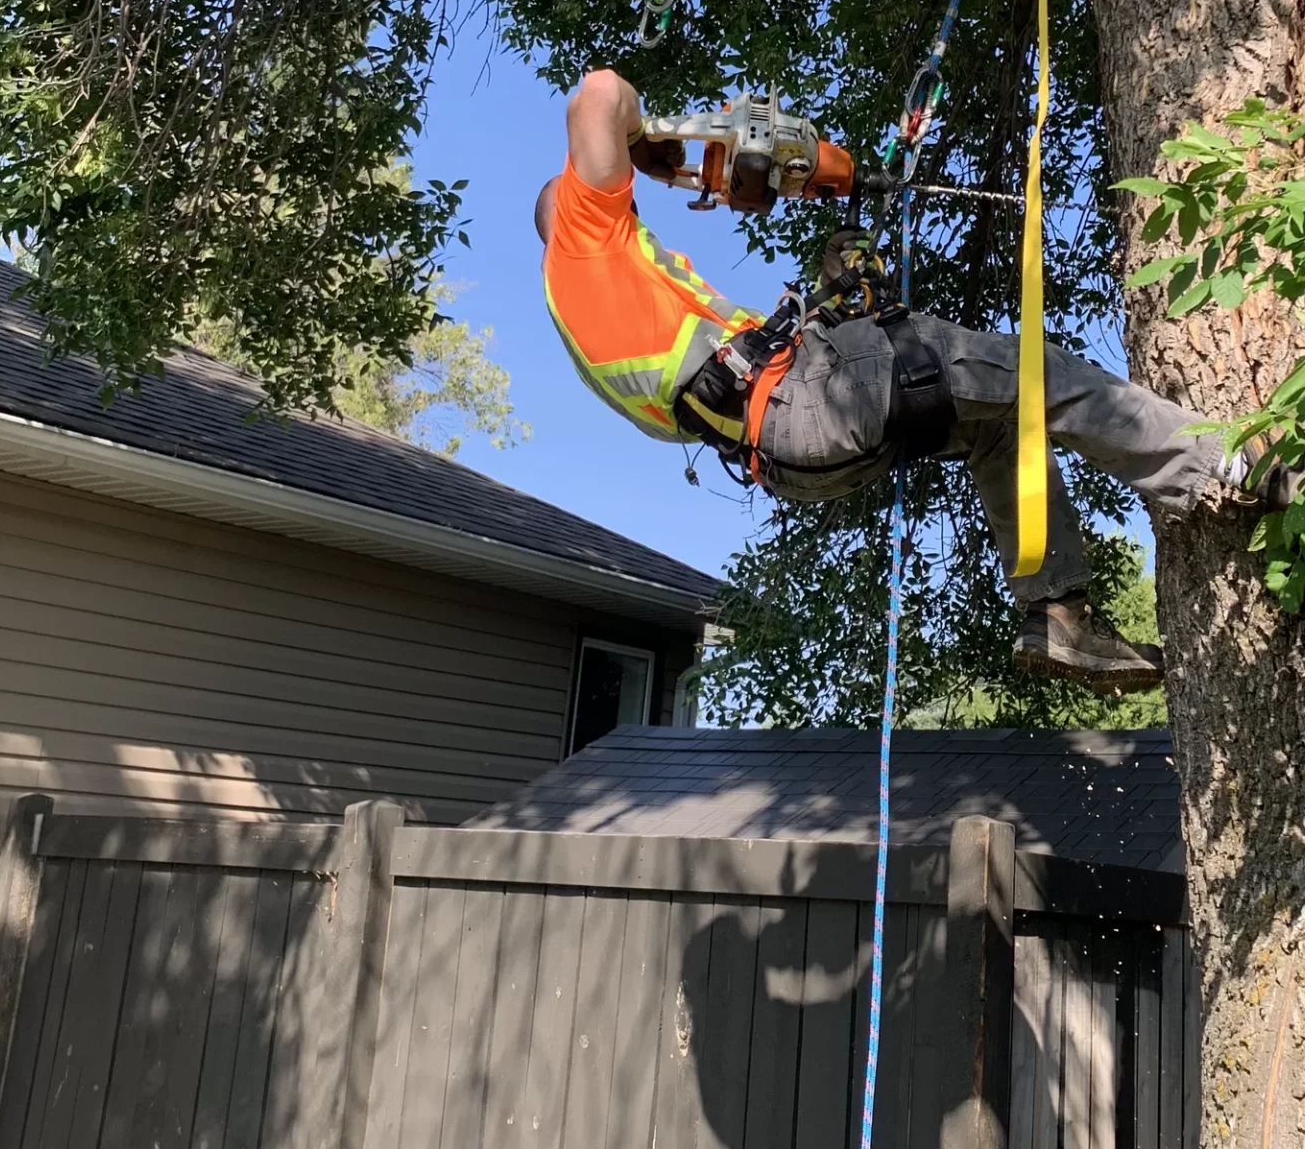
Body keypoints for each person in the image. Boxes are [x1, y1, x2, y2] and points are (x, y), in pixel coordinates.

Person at [535, 68, 1252, 693]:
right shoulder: (583, 234)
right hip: (810, 402)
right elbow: (599, 94)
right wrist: (644, 143)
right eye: (623, 199)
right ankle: (1227, 462)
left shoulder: (595, 321)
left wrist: (837, 299)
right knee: (1041, 371)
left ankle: (1059, 613)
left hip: (793, 453)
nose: (635, 213)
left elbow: (749, 374)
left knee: (998, 426)